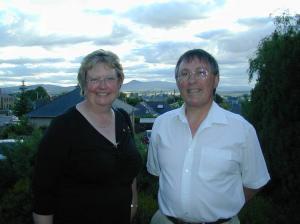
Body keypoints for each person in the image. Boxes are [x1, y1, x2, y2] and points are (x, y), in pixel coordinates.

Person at [147, 49, 270, 224]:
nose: (192, 80)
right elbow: (157, 174)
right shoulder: (161, 124)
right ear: (178, 82)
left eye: (201, 73)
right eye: (184, 74)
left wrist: (224, 207)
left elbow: (254, 182)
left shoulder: (242, 129)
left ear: (216, 80)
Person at [32, 49, 142, 224]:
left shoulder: (123, 119)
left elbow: (130, 173)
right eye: (94, 79)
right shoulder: (63, 127)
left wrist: (131, 208)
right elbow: (43, 194)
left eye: (109, 78)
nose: (103, 86)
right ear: (84, 84)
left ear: (119, 82)